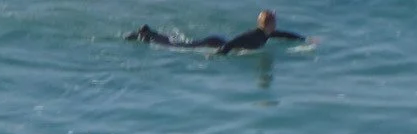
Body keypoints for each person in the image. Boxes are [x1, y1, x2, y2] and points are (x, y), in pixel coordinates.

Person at [128, 10, 303, 52]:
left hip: (219, 41)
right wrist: (220, 54)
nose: (276, 26)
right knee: (183, 46)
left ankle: (150, 33)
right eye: (274, 23)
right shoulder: (254, 36)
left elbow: (284, 34)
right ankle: (147, 35)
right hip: (217, 43)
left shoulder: (266, 33)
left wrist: (303, 39)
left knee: (185, 43)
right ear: (267, 24)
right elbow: (236, 42)